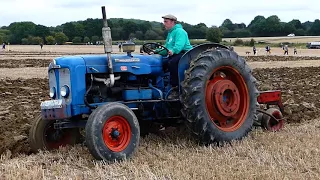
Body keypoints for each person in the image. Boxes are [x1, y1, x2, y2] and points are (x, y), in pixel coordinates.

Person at [152, 14, 193, 99]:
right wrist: (155, 52)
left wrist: (173, 50)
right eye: (164, 21)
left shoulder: (180, 31)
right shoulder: (170, 33)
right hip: (174, 53)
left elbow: (179, 45)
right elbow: (166, 48)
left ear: (173, 22)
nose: (164, 24)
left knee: (172, 62)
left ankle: (175, 88)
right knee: (159, 62)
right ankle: (158, 85)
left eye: (166, 22)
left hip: (184, 53)